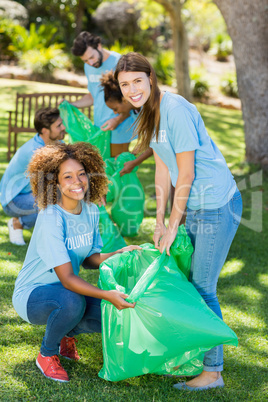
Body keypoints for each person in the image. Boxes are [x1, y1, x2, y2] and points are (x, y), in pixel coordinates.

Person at [114, 52, 243, 391]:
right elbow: (162, 167)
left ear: (150, 78)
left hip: (216, 205)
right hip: (197, 205)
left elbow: (185, 171)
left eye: (137, 81)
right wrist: (158, 219)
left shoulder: (176, 110)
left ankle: (213, 372)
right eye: (125, 84)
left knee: (203, 288)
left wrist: (174, 224)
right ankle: (193, 358)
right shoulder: (148, 112)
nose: (132, 90)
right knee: (188, 283)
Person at [12, 142, 140, 383]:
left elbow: (90, 259)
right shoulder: (51, 217)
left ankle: (64, 336)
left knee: (109, 313)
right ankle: (46, 355)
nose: (77, 181)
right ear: (55, 183)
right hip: (32, 296)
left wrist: (119, 253)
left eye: (82, 174)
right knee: (73, 301)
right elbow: (67, 279)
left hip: (65, 291)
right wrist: (106, 293)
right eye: (67, 176)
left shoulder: (90, 210)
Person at [0, 107, 66, 246]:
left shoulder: (57, 143)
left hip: (27, 193)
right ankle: (17, 223)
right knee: (53, 203)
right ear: (45, 131)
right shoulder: (36, 152)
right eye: (58, 126)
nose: (63, 127)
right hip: (12, 199)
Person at [69, 31, 135, 157]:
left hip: (120, 126)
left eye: (92, 57)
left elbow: (131, 98)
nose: (91, 63)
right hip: (100, 127)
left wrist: (118, 119)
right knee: (102, 171)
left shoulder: (120, 62)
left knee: (117, 169)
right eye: (85, 60)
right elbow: (92, 96)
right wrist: (71, 104)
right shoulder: (88, 66)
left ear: (98, 45)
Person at [100, 70, 153, 176]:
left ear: (124, 100)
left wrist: (134, 162)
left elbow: (156, 144)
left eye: (115, 108)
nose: (115, 113)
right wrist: (129, 155)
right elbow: (148, 141)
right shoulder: (134, 110)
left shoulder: (147, 109)